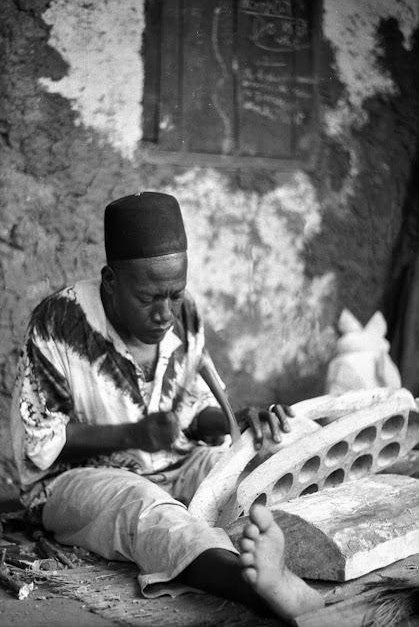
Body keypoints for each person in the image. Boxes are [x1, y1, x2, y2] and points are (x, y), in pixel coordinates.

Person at [10, 192, 323, 622]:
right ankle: (252, 586)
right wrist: (132, 434)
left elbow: (193, 416)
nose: (166, 313)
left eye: (175, 294)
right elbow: (39, 445)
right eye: (149, 298)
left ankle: (298, 560)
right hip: (70, 482)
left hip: (171, 460)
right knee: (143, 504)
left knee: (245, 472)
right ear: (110, 279)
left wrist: (243, 416)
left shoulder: (185, 314)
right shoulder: (58, 323)